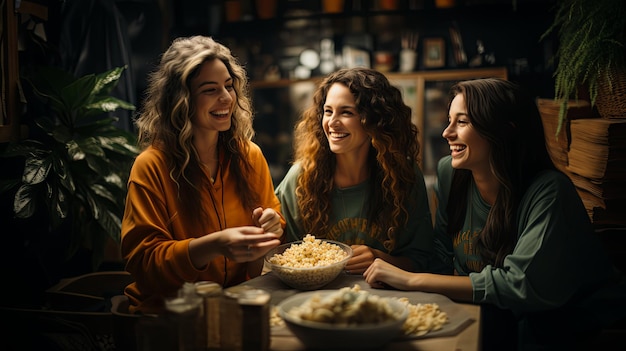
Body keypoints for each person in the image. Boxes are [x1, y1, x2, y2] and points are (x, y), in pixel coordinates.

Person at [363, 78, 626, 350]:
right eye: (449, 120)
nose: (446, 132)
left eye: (462, 122)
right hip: (498, 312)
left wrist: (411, 279)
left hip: (575, 324)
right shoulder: (450, 173)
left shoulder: (549, 191)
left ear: (504, 131)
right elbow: (440, 256)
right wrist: (384, 260)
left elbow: (519, 286)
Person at [121, 36, 285, 314]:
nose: (226, 98)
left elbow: (273, 222)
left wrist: (273, 225)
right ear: (181, 100)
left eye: (229, 86)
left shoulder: (250, 155)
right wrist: (212, 246)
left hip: (236, 306)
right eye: (210, 90)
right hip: (168, 316)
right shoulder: (151, 166)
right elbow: (144, 263)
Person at [275, 67, 434, 274]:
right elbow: (282, 256)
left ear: (375, 120)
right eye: (328, 111)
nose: (332, 123)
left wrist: (379, 258)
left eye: (347, 112)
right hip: (315, 299)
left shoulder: (404, 175)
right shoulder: (301, 178)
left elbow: (422, 260)